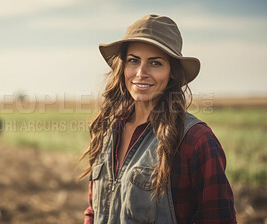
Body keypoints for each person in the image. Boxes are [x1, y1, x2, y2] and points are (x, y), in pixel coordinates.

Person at [79, 15, 237, 223]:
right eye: (133, 60)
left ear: (172, 73)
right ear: (123, 67)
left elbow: (218, 218)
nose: (141, 73)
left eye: (155, 63)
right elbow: (94, 211)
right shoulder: (107, 129)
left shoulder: (196, 139)